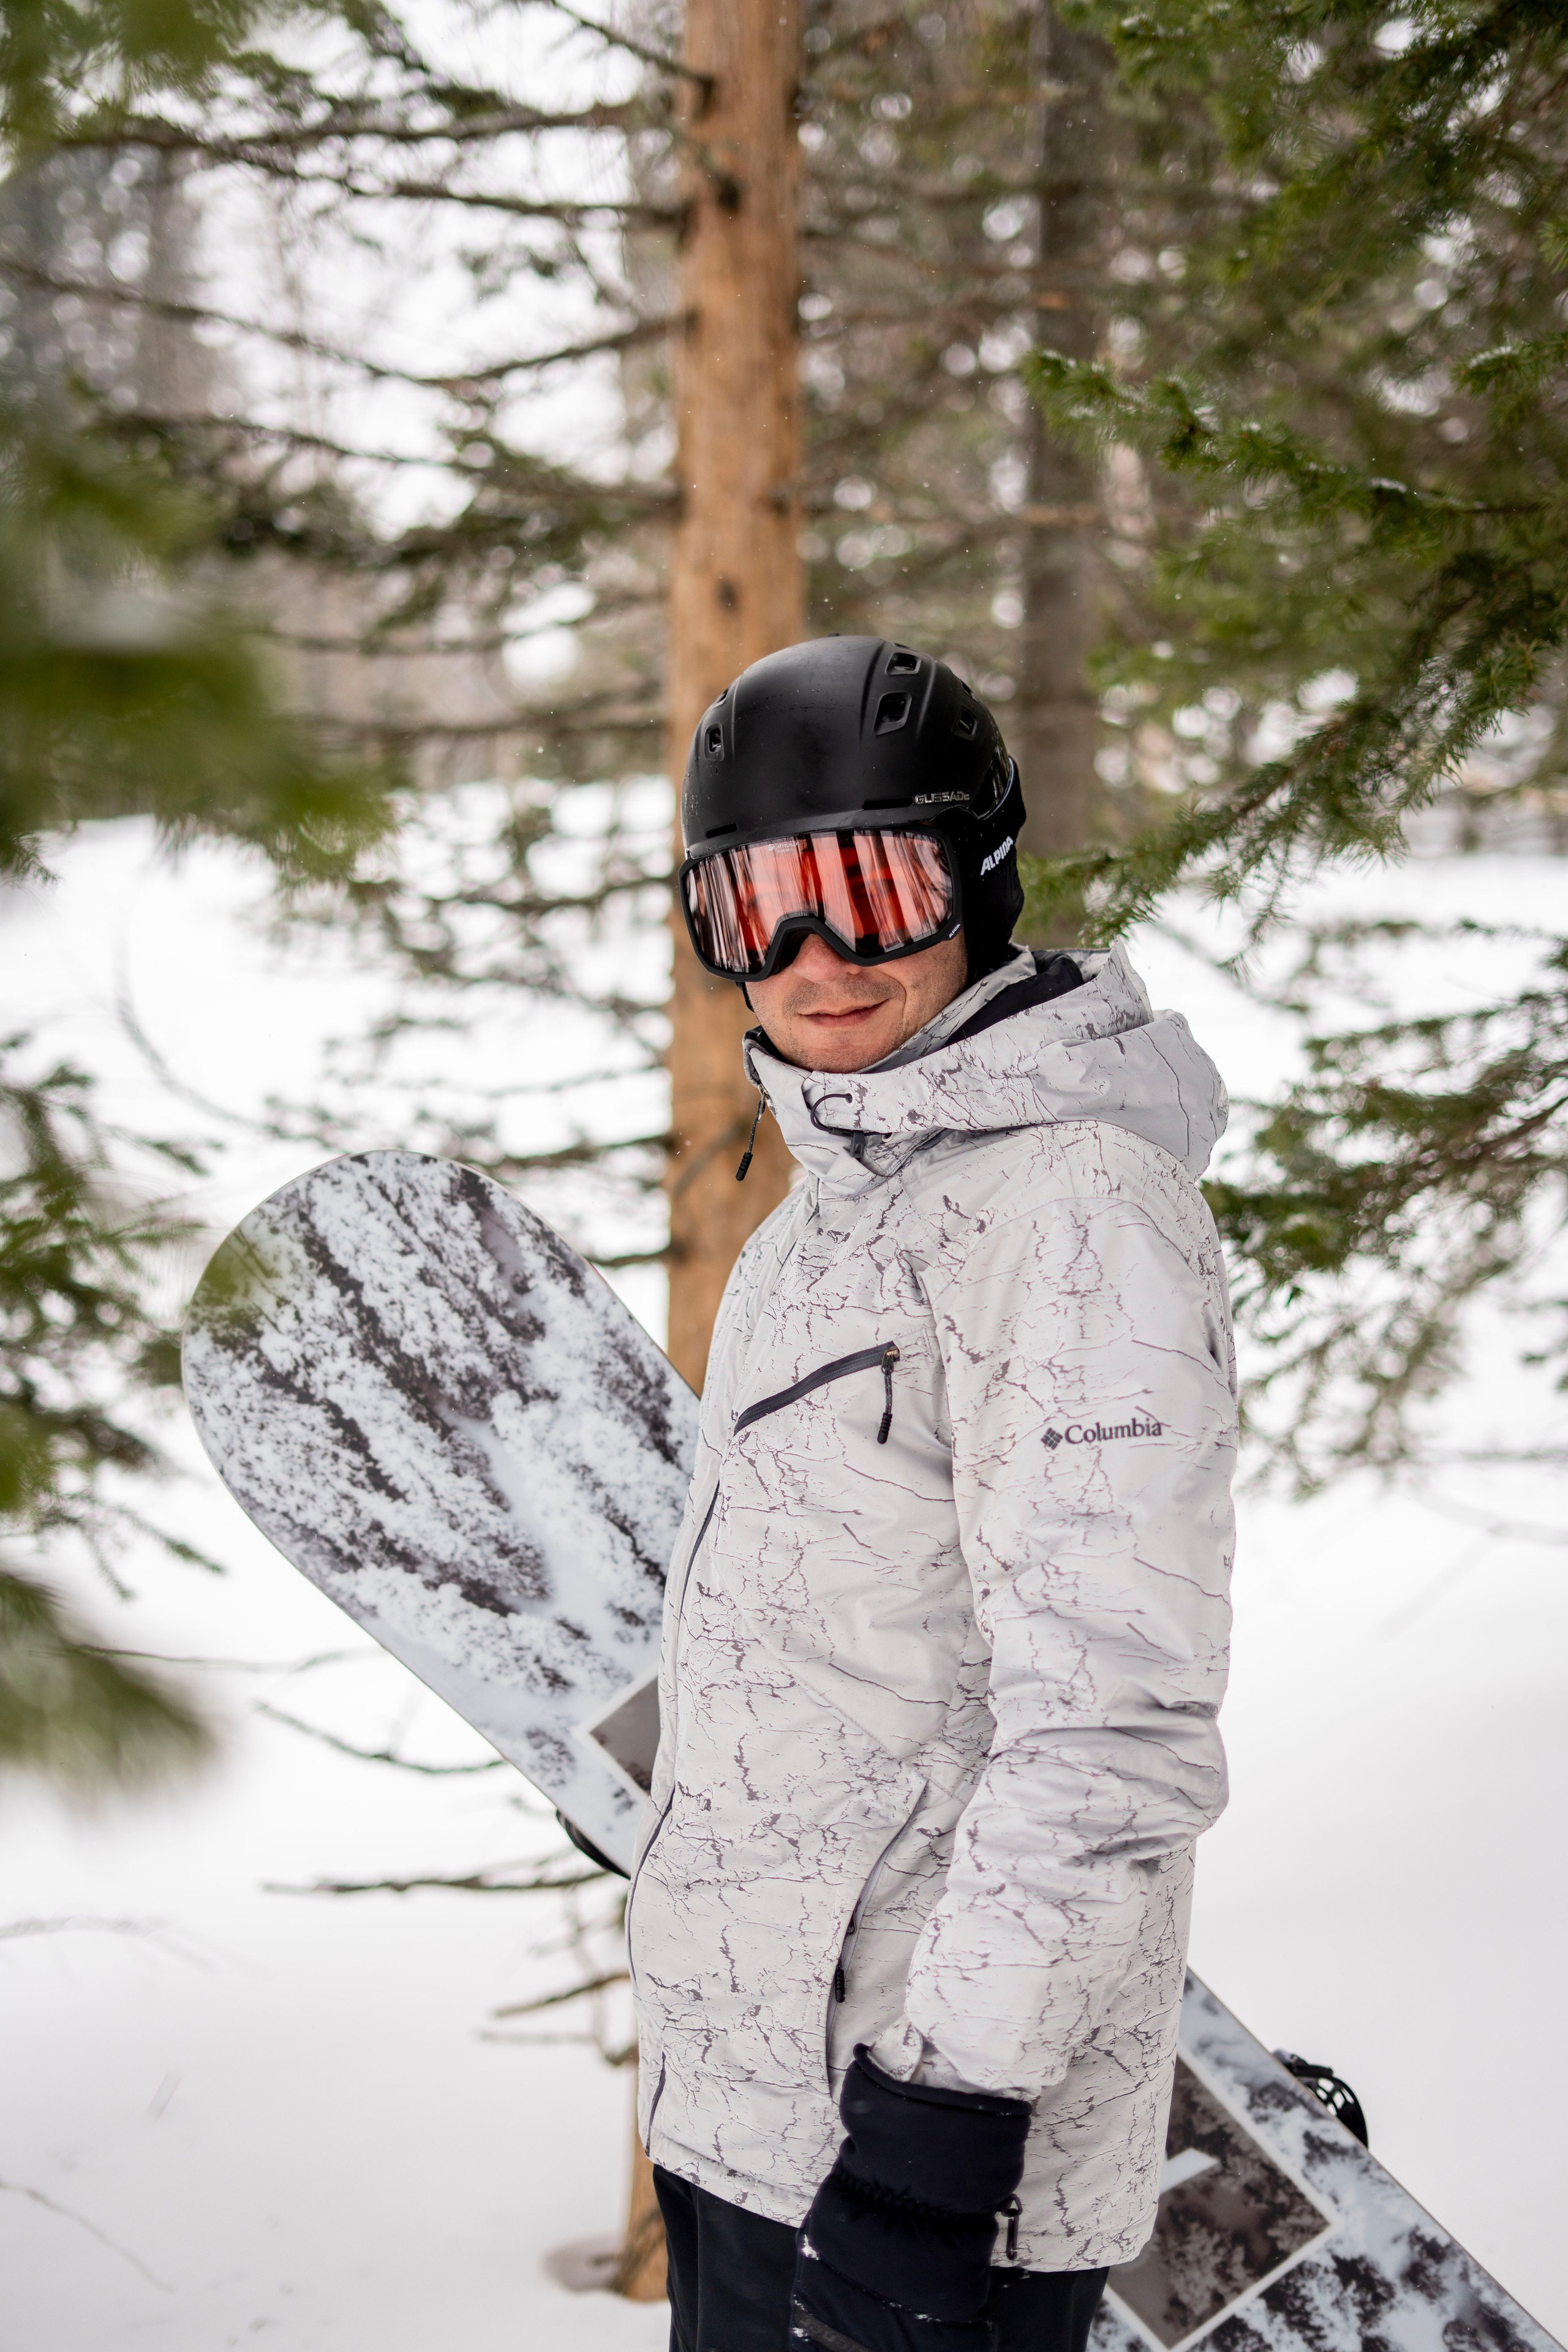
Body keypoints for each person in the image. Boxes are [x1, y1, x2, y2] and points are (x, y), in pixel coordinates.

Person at [631, 636, 1237, 2352]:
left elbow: (1116, 1732)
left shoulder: (1074, 1209)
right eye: (758, 911)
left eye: (871, 892)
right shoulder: (838, 1208)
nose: (815, 960)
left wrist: (938, 2140)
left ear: (977, 883)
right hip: (751, 2122)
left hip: (912, 2172)